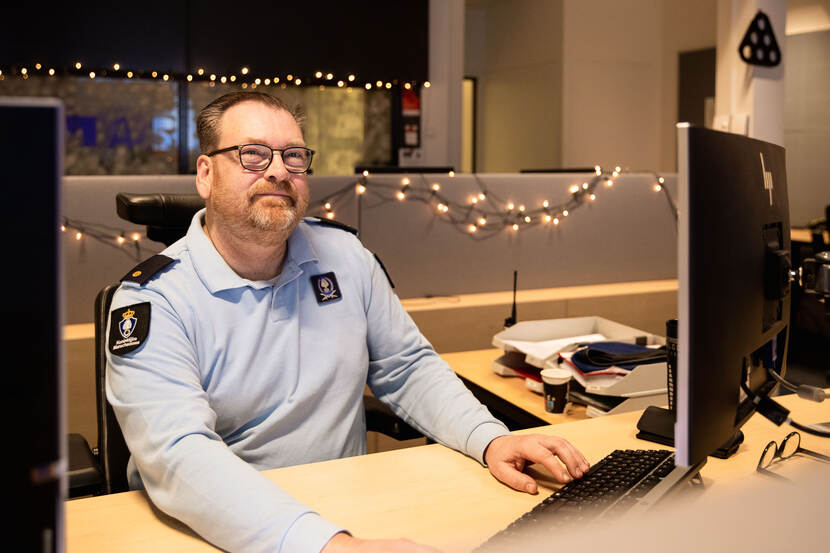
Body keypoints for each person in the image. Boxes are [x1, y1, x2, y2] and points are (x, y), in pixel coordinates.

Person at [106, 91, 590, 553]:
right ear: (206, 174)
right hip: (220, 526)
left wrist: (491, 439)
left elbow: (408, 368)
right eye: (253, 154)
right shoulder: (153, 299)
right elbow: (179, 453)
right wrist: (325, 544)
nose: (279, 171)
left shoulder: (344, 256)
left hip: (348, 509)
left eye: (294, 156)